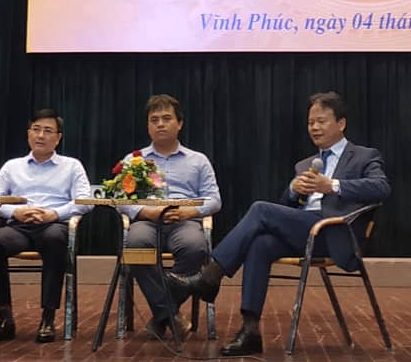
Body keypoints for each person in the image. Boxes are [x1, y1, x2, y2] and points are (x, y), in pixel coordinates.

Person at [165, 92, 389, 357]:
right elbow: (286, 208)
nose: (314, 128)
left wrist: (333, 185)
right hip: (306, 231)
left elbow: (381, 188)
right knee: (260, 244)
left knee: (260, 209)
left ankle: (210, 276)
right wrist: (293, 191)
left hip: (335, 233)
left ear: (341, 123)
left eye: (321, 121)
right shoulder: (305, 165)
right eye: (310, 123)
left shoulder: (364, 156)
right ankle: (250, 331)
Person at [0, 108, 92, 343]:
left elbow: (85, 202)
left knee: (54, 240)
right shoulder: (12, 166)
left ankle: (48, 318)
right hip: (19, 226)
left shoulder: (72, 166)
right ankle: (4, 316)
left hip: (54, 224)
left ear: (58, 138)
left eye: (48, 131)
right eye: (36, 129)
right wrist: (16, 212)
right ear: (28, 133)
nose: (41, 135)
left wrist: (54, 214)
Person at [119, 94, 222, 340]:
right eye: (154, 120)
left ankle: (161, 314)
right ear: (148, 126)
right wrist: (145, 211)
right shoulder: (134, 160)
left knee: (195, 248)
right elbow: (121, 200)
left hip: (184, 221)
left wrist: (189, 211)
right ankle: (170, 314)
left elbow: (214, 200)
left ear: (180, 123)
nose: (160, 124)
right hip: (146, 220)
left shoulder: (198, 160)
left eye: (167, 119)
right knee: (135, 245)